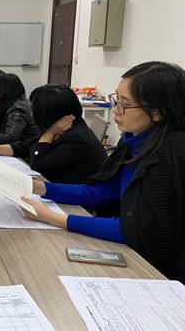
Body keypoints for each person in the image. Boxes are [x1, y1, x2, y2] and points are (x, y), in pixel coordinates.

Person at [22, 62, 185, 283]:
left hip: (157, 271)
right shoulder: (133, 142)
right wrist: (41, 188)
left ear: (157, 112)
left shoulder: (169, 153)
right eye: (116, 99)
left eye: (125, 104)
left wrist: (52, 217)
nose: (116, 110)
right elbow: (99, 192)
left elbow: (134, 230)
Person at [0, 84, 107, 183]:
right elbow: (23, 147)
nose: (32, 114)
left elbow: (38, 165)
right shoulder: (62, 127)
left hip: (77, 206)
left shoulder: (76, 138)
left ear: (50, 113)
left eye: (35, 110)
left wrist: (49, 134)